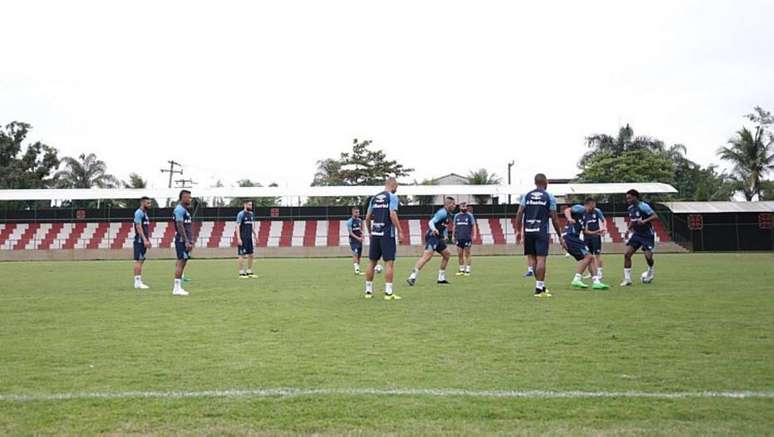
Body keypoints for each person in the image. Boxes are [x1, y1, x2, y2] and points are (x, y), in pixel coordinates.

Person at [515, 173, 566, 297]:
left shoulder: (526, 196)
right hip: (541, 231)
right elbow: (554, 218)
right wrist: (560, 235)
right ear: (545, 182)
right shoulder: (549, 197)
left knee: (532, 258)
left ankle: (541, 286)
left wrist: (518, 230)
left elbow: (520, 213)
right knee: (541, 259)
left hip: (528, 231)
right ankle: (539, 289)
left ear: (535, 182)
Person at [363, 177, 402, 300]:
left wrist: (370, 232)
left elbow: (367, 218)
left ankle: (368, 291)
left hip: (375, 234)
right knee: (389, 263)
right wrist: (400, 231)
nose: (397, 189)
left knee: (372, 262)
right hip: (387, 234)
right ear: (393, 184)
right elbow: (392, 214)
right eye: (397, 186)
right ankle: (388, 293)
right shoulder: (392, 197)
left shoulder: (374, 198)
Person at [407, 197, 457, 286]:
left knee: (447, 254)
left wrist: (444, 235)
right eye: (453, 204)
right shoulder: (442, 212)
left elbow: (443, 225)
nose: (454, 205)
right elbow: (431, 222)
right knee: (427, 256)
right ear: (447, 204)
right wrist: (434, 229)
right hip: (432, 236)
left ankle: (441, 278)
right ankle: (412, 277)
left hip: (438, 238)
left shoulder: (448, 214)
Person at [563, 204, 609, 289]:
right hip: (570, 237)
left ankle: (596, 282)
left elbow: (585, 231)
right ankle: (576, 279)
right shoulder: (581, 209)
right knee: (588, 257)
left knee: (590, 257)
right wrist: (569, 218)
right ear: (588, 205)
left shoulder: (585, 218)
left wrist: (597, 232)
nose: (593, 209)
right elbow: (567, 210)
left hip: (574, 238)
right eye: (592, 207)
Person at [621, 189, 657, 286]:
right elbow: (633, 220)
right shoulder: (630, 208)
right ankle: (627, 279)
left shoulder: (643, 206)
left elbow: (655, 216)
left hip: (647, 234)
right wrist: (628, 230)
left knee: (648, 257)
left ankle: (650, 271)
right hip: (637, 234)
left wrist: (645, 221)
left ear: (635, 197)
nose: (627, 200)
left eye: (629, 198)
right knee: (627, 254)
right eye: (627, 198)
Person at [172, 190, 194, 296]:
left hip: (185, 240)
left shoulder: (185, 210)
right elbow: (180, 225)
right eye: (187, 197)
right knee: (181, 262)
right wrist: (186, 240)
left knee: (183, 262)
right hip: (181, 240)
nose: (189, 199)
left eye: (190, 197)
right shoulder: (179, 209)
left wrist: (190, 240)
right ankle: (176, 288)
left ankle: (178, 286)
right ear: (182, 198)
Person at [581, 197, 606, 279]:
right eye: (592, 204)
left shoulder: (597, 211)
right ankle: (591, 272)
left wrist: (604, 228)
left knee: (597, 254)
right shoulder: (583, 212)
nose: (594, 206)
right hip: (587, 236)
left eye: (594, 204)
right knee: (588, 255)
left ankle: (600, 272)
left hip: (596, 236)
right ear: (588, 204)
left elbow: (603, 220)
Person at [453, 202, 479, 277]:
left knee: (467, 253)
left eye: (465, 206)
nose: (464, 208)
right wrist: (453, 236)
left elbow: (473, 225)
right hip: (459, 238)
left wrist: (474, 235)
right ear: (460, 207)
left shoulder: (470, 216)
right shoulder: (456, 216)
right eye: (462, 206)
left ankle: (468, 270)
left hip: (467, 237)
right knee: (460, 254)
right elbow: (454, 226)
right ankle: (461, 270)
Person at [132, 196, 152, 289]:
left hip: (143, 240)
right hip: (139, 240)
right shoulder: (139, 213)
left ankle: (138, 281)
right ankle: (137, 282)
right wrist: (144, 240)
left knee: (141, 260)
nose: (149, 205)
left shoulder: (145, 213)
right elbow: (138, 227)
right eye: (148, 203)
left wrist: (147, 239)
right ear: (142, 203)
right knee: (139, 260)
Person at [236, 200, 258, 279]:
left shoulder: (251, 214)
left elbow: (251, 226)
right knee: (242, 255)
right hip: (243, 238)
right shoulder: (241, 214)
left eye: (251, 205)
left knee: (251, 255)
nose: (250, 206)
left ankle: (249, 271)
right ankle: (241, 273)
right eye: (249, 205)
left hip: (249, 238)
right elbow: (237, 226)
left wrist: (255, 235)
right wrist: (238, 238)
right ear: (245, 205)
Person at [345, 207, 365, 275]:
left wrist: (362, 234)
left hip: (359, 240)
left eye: (358, 212)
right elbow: (350, 233)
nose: (358, 213)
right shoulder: (349, 221)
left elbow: (361, 229)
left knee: (359, 255)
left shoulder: (360, 220)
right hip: (353, 240)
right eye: (356, 212)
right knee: (355, 253)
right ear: (353, 212)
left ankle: (358, 270)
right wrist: (358, 238)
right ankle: (356, 270)